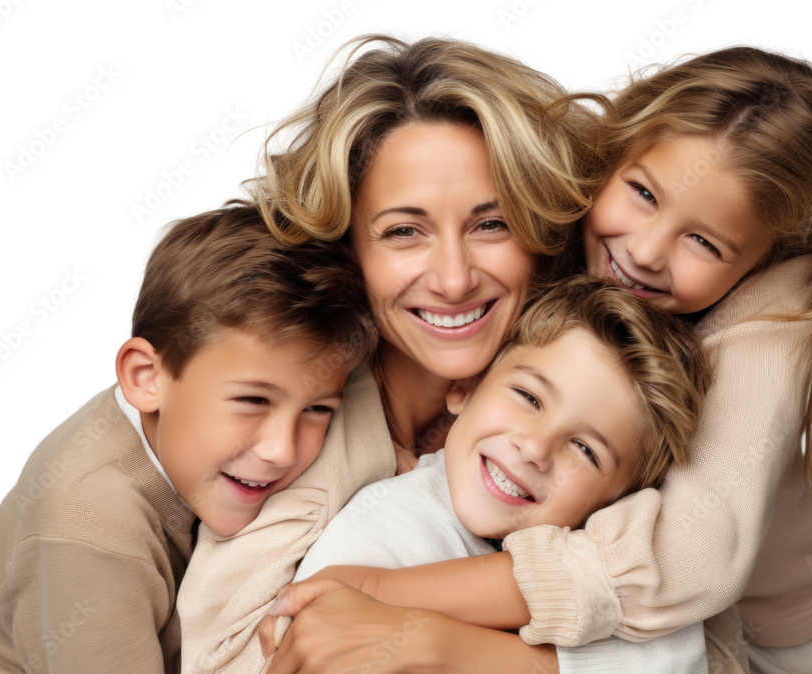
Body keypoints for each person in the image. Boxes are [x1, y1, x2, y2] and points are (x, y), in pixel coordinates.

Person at [267, 47, 812, 674]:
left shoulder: (775, 315)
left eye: (705, 241)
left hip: (783, 637)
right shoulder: (562, 222)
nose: (647, 250)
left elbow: (692, 561)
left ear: (765, 258)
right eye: (643, 193)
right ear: (616, 156)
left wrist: (378, 593)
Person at [175, 34, 604, 673]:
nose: (455, 279)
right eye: (404, 232)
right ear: (347, 249)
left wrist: (458, 652)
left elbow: (694, 632)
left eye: (492, 224)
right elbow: (225, 659)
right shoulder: (294, 438)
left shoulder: (590, 395)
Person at [0, 202, 385, 673]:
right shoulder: (86, 530)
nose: (282, 449)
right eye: (253, 402)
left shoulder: (187, 396)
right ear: (145, 378)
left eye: (318, 410)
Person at [261, 277, 713, 673]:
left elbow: (679, 657)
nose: (535, 448)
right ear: (466, 388)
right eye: (529, 398)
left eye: (585, 450)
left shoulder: (608, 577)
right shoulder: (377, 536)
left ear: (620, 502)